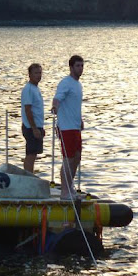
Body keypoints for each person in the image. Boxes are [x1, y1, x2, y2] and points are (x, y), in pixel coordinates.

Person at [51, 55, 84, 199]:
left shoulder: (78, 84)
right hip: (66, 127)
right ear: (71, 67)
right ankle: (64, 191)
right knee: (68, 158)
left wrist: (80, 120)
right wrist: (55, 107)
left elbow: (73, 104)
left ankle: (70, 187)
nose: (80, 68)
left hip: (75, 126)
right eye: (77, 66)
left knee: (77, 157)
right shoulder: (66, 83)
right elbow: (57, 98)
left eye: (82, 65)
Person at [21, 63, 45, 173]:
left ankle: (30, 174)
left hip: (37, 125)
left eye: (40, 73)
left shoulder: (36, 88)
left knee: (34, 153)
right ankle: (28, 177)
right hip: (30, 127)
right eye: (36, 73)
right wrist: (34, 128)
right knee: (30, 154)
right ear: (30, 74)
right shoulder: (28, 89)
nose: (38, 75)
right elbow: (28, 110)